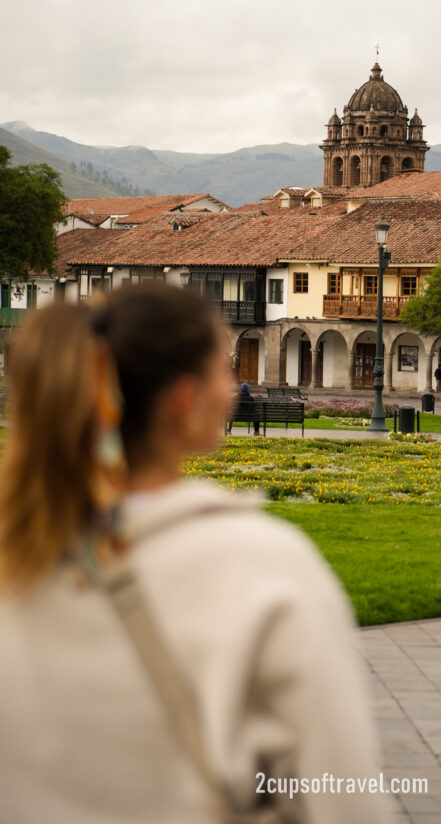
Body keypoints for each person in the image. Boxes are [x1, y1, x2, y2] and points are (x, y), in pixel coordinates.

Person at [0, 285, 388, 823]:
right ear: (186, 400)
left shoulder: (18, 556)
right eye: (221, 371)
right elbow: (345, 799)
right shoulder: (260, 567)